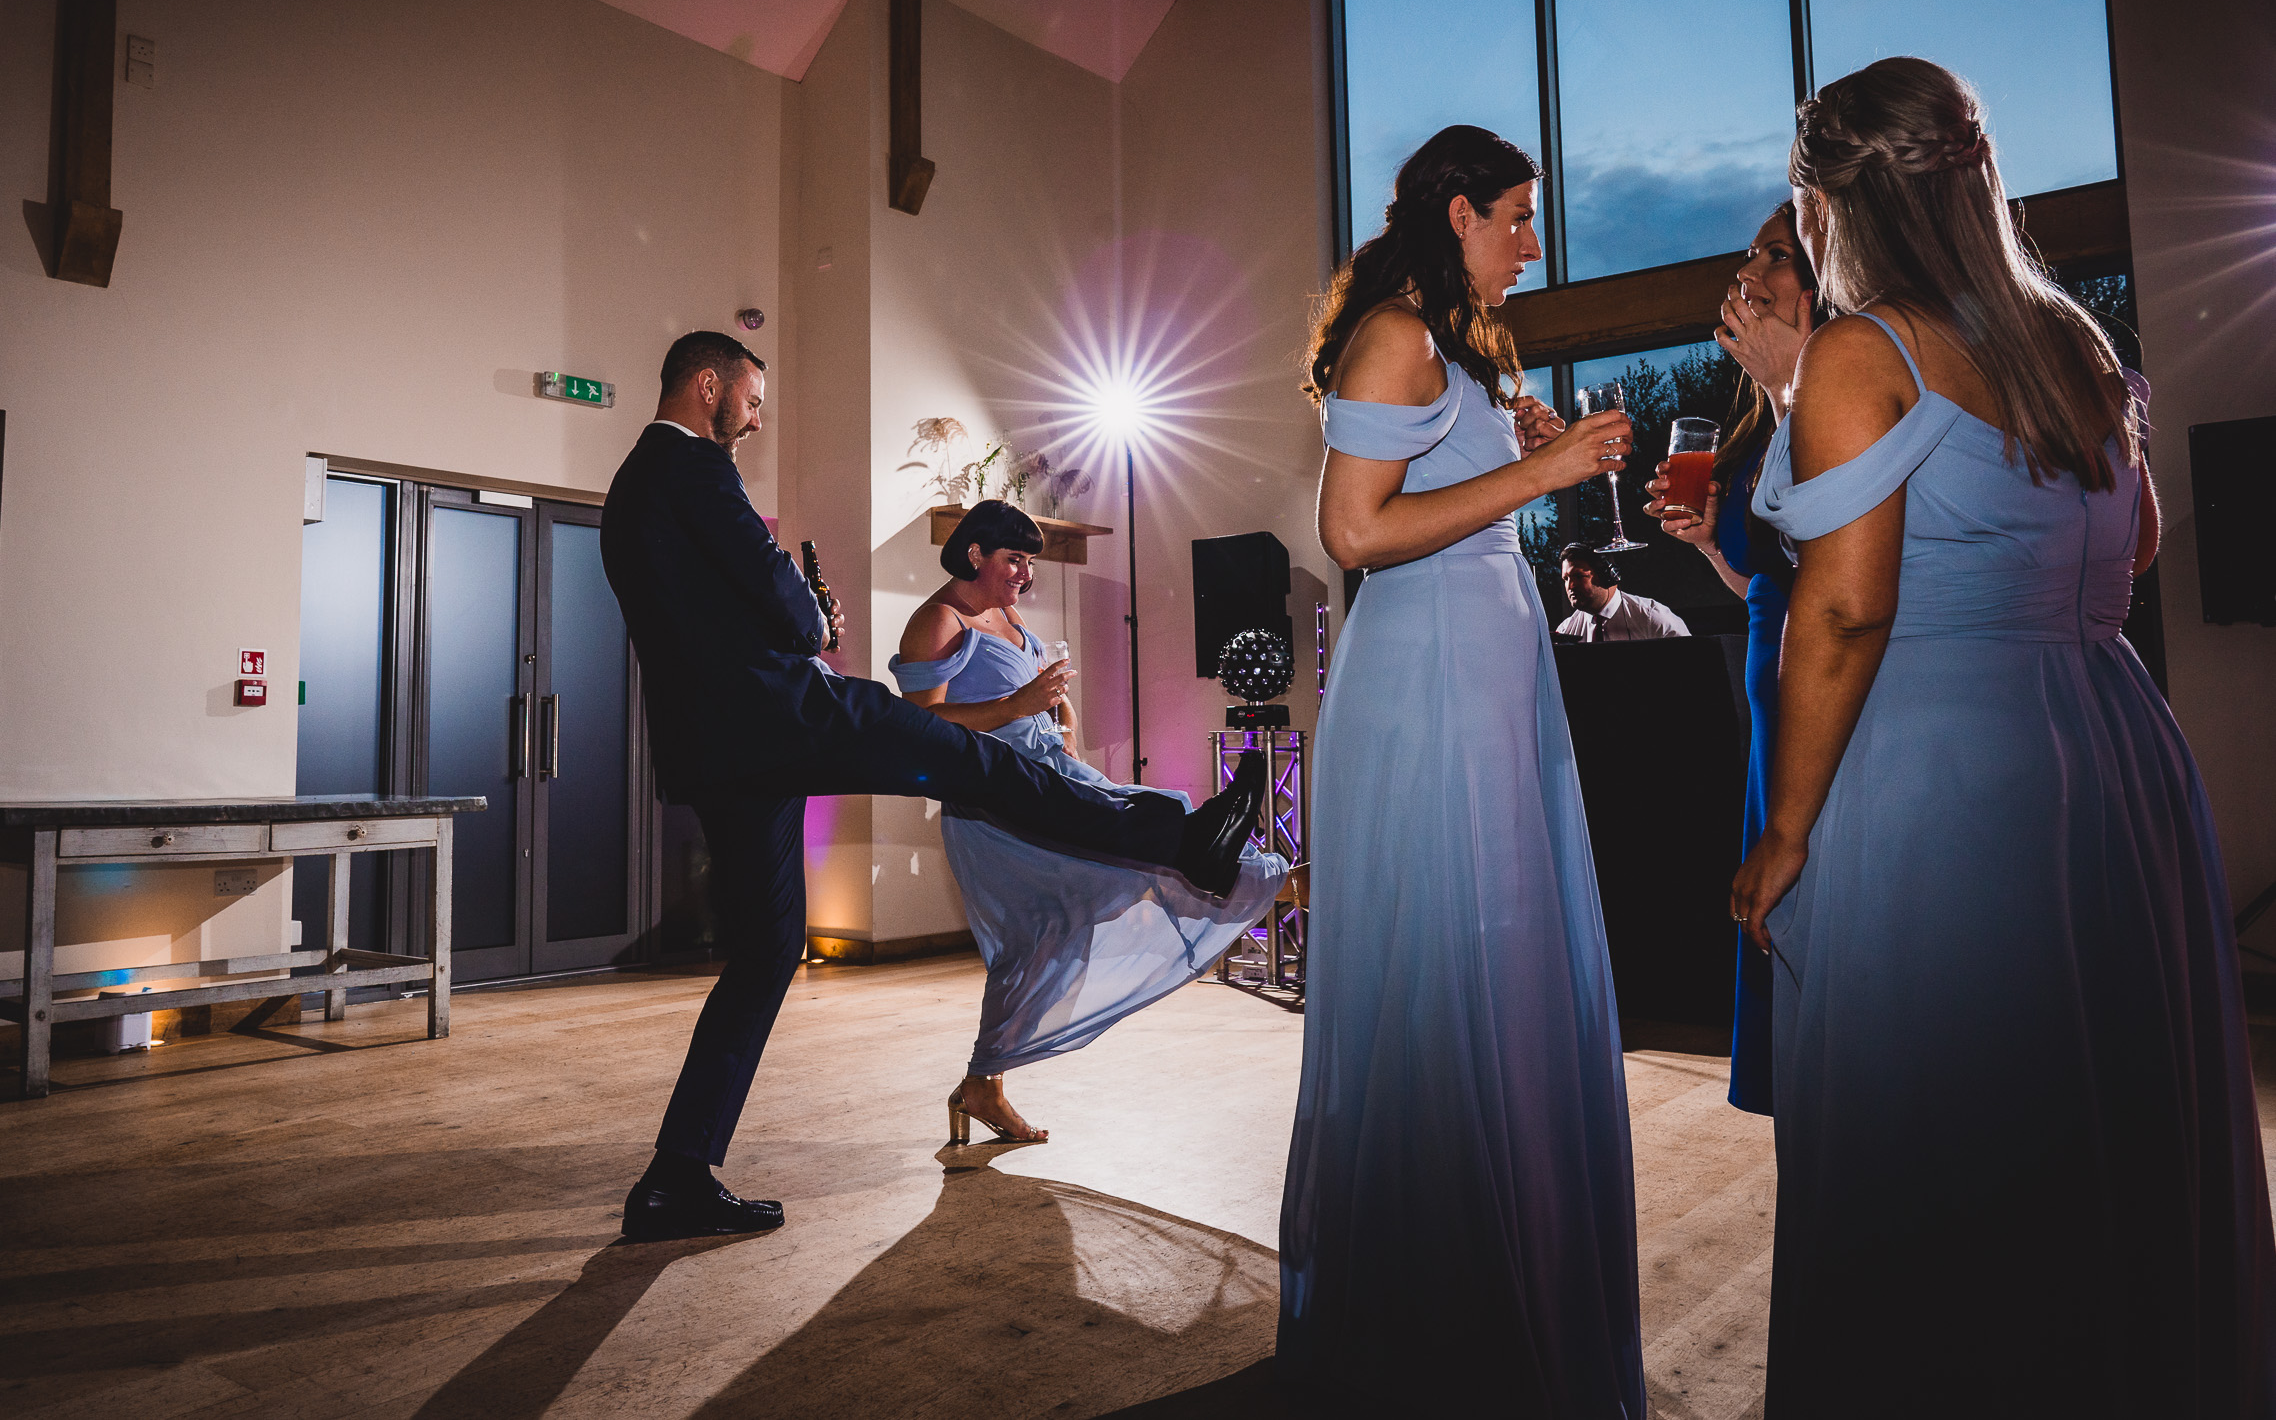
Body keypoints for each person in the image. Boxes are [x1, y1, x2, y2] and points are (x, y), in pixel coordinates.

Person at [1736, 56, 2276, 1413]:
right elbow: (2135, 542)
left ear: (1826, 202)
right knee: (2099, 1096)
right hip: (2109, 749)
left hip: (1946, 774)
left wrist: (1786, 830)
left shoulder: (1867, 352)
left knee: (1945, 1116)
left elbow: (1845, 613)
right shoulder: (2076, 342)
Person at [600, 332, 1267, 1242]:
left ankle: (675, 1175)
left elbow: (707, 615)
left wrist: (784, 613)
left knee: (765, 952)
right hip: (783, 716)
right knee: (978, 761)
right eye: (751, 399)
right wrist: (811, 608)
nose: (754, 418)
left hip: (717, 748)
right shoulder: (697, 470)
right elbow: (793, 617)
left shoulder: (628, 489)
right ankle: (1180, 836)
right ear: (707, 384)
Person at [1279, 124, 1646, 1413]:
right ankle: (1436, 1287)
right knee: (1449, 965)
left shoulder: (1461, 349)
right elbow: (1354, 529)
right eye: (1516, 217)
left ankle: (1504, 1260)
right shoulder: (1392, 329)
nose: (1530, 245)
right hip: (1426, 680)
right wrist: (1534, 466)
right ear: (1456, 212)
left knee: (1499, 964)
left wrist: (1519, 442)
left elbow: (1450, 488)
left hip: (1486, 669)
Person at [890, 501, 1288, 1145]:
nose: (1024, 574)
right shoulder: (936, 621)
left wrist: (1064, 724)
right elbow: (919, 731)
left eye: (1029, 561)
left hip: (1054, 779)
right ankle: (1205, 840)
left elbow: (1049, 686)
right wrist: (1016, 706)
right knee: (1042, 930)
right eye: (1014, 559)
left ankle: (982, 1084)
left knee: (1061, 927)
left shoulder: (1006, 615)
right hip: (999, 806)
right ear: (973, 555)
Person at [1641, 203, 1818, 1115]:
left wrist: (1793, 383)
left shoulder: (1838, 387)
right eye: (1750, 249)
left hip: (1819, 692)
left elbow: (1844, 576)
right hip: (1768, 694)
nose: (1752, 266)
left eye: (1778, 254)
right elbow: (1768, 579)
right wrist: (1713, 545)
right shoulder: (1756, 413)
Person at [1554, 542, 1688, 641]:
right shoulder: (1566, 630)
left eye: (1578, 576)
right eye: (1565, 579)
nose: (1570, 586)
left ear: (1608, 576)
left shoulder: (1652, 618)